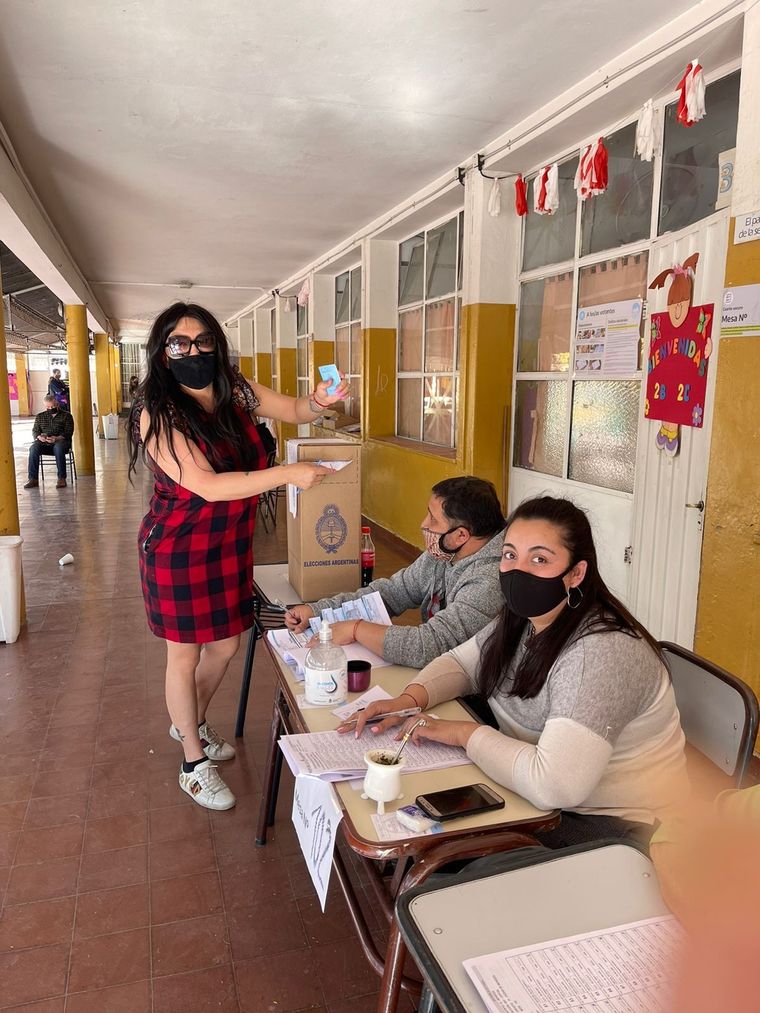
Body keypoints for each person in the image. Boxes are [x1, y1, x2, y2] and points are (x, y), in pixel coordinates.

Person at [349, 496, 688, 848]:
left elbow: (555, 784)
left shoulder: (602, 652)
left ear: (576, 573)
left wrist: (465, 735)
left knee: (446, 863)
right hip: (532, 792)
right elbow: (463, 663)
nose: (519, 570)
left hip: (612, 825)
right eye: (511, 555)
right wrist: (408, 699)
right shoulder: (524, 618)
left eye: (539, 559)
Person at [128, 302, 348, 811]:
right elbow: (204, 484)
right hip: (178, 548)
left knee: (226, 645)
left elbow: (293, 410)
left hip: (227, 543)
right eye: (179, 343)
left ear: (217, 344)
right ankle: (192, 761)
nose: (193, 351)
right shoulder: (156, 413)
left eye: (203, 340)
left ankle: (191, 721)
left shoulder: (236, 389)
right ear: (163, 354)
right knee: (184, 656)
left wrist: (319, 399)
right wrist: (286, 475)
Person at [284, 476, 506, 667]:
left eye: (433, 519)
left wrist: (355, 629)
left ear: (460, 536)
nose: (424, 524)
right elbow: (392, 593)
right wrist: (317, 611)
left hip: (471, 693)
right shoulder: (445, 551)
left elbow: (429, 645)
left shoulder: (488, 580)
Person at [24, 394, 75, 489]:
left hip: (61, 443)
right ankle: (33, 479)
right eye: (48, 407)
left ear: (57, 404)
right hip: (44, 443)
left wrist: (56, 438)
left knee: (58, 447)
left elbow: (68, 432)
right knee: (33, 448)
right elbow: (35, 431)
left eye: (53, 406)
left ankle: (61, 478)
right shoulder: (40, 416)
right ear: (45, 406)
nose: (51, 408)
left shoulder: (67, 416)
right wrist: (39, 437)